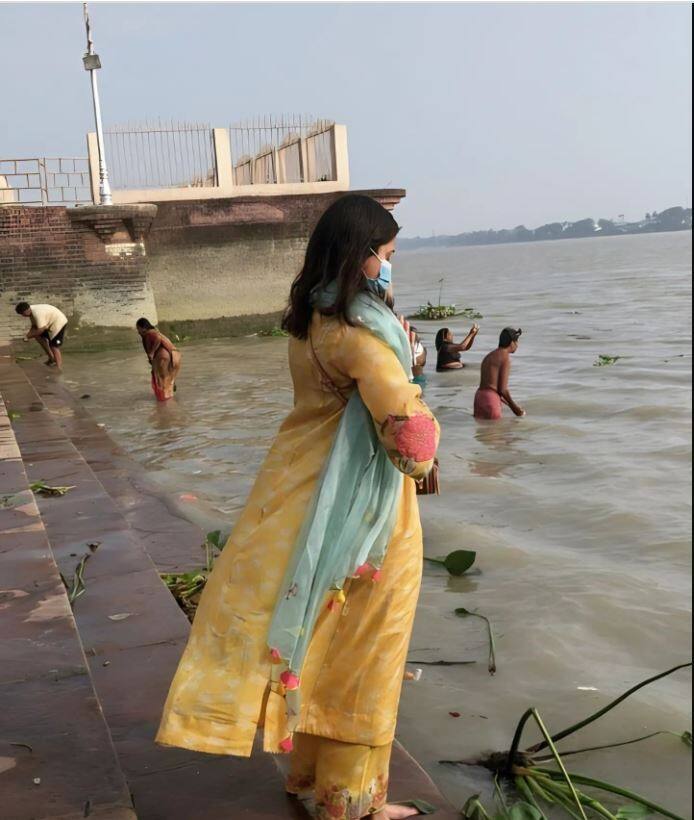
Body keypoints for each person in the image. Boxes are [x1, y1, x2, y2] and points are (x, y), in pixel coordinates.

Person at [156, 194, 440, 820]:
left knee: (322, 642)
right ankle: (350, 801)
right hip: (365, 516)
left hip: (301, 493)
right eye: (387, 257)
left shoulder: (314, 323)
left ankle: (307, 778)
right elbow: (408, 436)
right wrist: (423, 427)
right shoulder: (363, 339)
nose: (390, 268)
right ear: (362, 258)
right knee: (365, 654)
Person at [474, 327, 525, 419]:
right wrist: (515, 409)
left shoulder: (489, 356)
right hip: (491, 400)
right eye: (516, 341)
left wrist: (509, 405)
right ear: (511, 342)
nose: (517, 344)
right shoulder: (505, 357)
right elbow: (503, 390)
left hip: (479, 398)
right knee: (496, 433)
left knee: (482, 432)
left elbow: (491, 386)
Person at [135, 318, 181, 402]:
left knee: (163, 381)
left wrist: (152, 352)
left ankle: (165, 405)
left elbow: (158, 338)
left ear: (143, 328)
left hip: (164, 357)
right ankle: (171, 404)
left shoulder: (149, 333)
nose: (138, 331)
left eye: (138, 328)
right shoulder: (155, 331)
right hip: (175, 355)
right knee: (169, 381)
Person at [15, 302, 68, 369]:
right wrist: (27, 336)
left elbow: (41, 330)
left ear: (26, 310)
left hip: (59, 322)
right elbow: (34, 327)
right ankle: (51, 359)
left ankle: (58, 367)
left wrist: (27, 337)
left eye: (22, 314)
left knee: (54, 346)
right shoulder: (31, 312)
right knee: (38, 337)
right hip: (48, 324)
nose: (23, 316)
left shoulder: (37, 313)